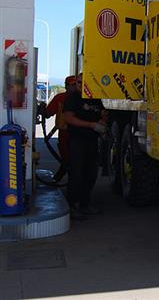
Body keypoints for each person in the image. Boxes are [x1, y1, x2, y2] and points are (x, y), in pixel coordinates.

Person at [63, 74, 107, 218]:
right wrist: (90, 125)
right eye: (78, 83)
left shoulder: (96, 98)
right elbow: (68, 117)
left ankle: (85, 204)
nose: (79, 85)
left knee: (91, 174)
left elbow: (103, 113)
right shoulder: (73, 98)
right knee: (77, 173)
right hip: (77, 140)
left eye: (82, 83)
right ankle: (72, 206)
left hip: (92, 141)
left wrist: (102, 121)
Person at [45, 75, 77, 181]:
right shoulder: (60, 98)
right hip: (64, 132)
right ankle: (63, 177)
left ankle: (61, 177)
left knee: (74, 160)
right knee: (67, 159)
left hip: (79, 133)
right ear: (66, 86)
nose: (75, 87)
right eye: (72, 85)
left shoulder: (83, 98)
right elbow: (48, 113)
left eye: (76, 84)